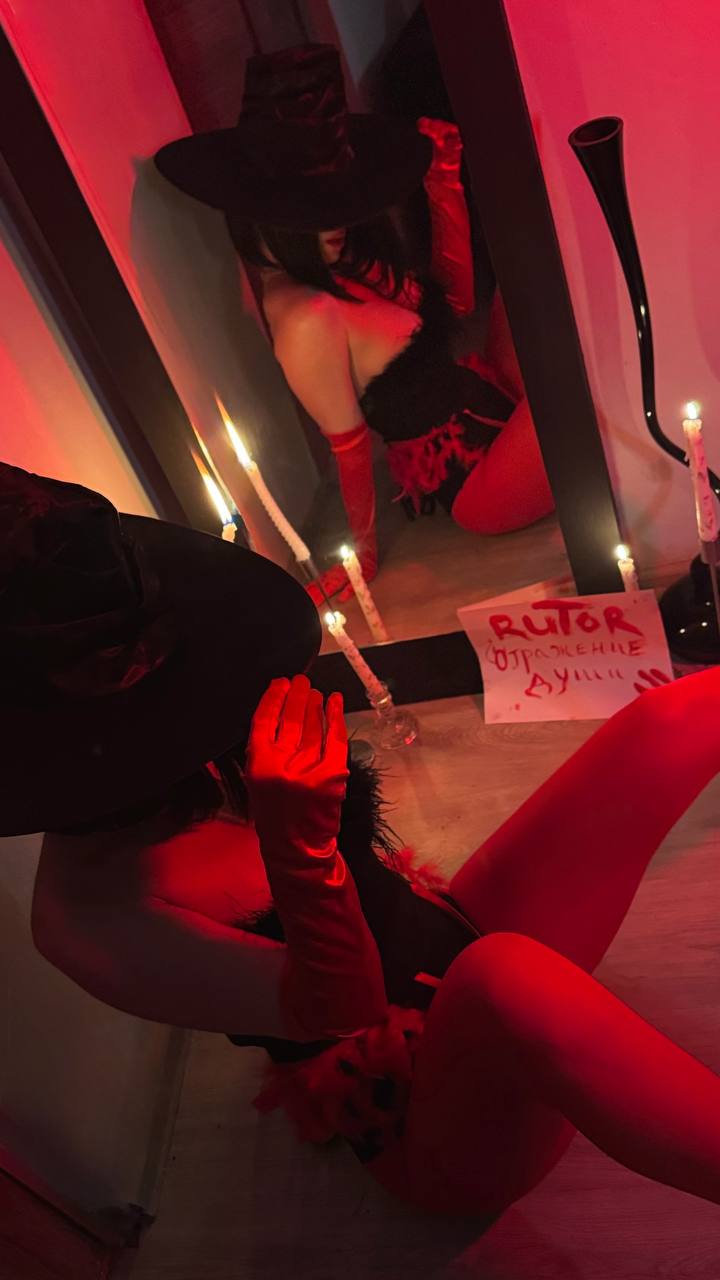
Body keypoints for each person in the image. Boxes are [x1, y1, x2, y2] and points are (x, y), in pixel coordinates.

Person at [7, 461, 720, 1224]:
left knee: (666, 723)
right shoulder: (86, 919)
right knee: (507, 978)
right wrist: (301, 852)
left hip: (450, 937)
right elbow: (342, 1010)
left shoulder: (191, 730)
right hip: (420, 1112)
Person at [155, 44, 554, 603]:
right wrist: (361, 555)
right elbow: (350, 449)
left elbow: (457, 302)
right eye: (320, 207)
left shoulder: (339, 262)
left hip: (489, 395)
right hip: (477, 481)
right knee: (581, 380)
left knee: (541, 288)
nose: (339, 220)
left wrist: (443, 182)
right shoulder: (306, 319)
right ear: (268, 213)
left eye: (341, 198)